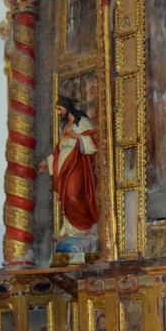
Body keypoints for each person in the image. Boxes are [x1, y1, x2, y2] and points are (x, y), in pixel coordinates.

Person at [37, 96, 98, 235]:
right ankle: (72, 230)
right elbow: (59, 149)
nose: (59, 112)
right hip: (62, 164)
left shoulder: (83, 122)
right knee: (64, 197)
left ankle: (85, 227)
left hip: (76, 163)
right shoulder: (65, 126)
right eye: (57, 109)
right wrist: (46, 161)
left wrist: (77, 137)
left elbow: (95, 141)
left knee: (72, 195)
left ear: (67, 108)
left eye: (60, 109)